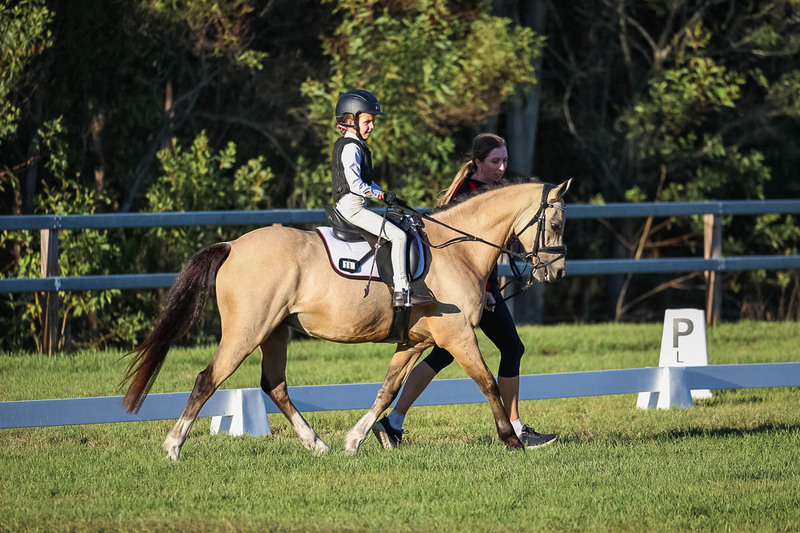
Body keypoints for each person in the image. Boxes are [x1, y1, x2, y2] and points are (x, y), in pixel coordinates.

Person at [371, 133, 558, 449]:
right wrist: (484, 291)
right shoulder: (466, 193)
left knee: (441, 353)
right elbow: (458, 252)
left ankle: (393, 422)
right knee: (511, 348)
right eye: (495, 161)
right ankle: (516, 428)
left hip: (481, 287)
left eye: (505, 160)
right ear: (479, 163)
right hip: (470, 291)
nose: (501, 167)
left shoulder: (492, 192)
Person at [331, 89, 430, 308]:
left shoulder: (357, 145)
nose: (372, 126)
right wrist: (379, 195)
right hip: (352, 208)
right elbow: (355, 185)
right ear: (350, 120)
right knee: (399, 236)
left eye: (372, 121)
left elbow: (366, 180)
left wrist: (386, 195)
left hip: (355, 205)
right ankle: (402, 293)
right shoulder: (350, 148)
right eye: (367, 121)